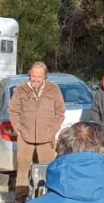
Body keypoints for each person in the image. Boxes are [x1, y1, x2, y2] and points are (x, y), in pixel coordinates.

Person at [7, 62, 66, 193]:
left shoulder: (54, 89)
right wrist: (18, 129)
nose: (35, 79)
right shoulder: (20, 89)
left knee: (48, 170)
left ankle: (48, 197)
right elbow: (13, 110)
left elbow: (60, 112)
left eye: (39, 76)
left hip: (46, 138)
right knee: (22, 170)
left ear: (45, 76)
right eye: (33, 76)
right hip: (25, 137)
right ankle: (20, 199)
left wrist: (52, 130)